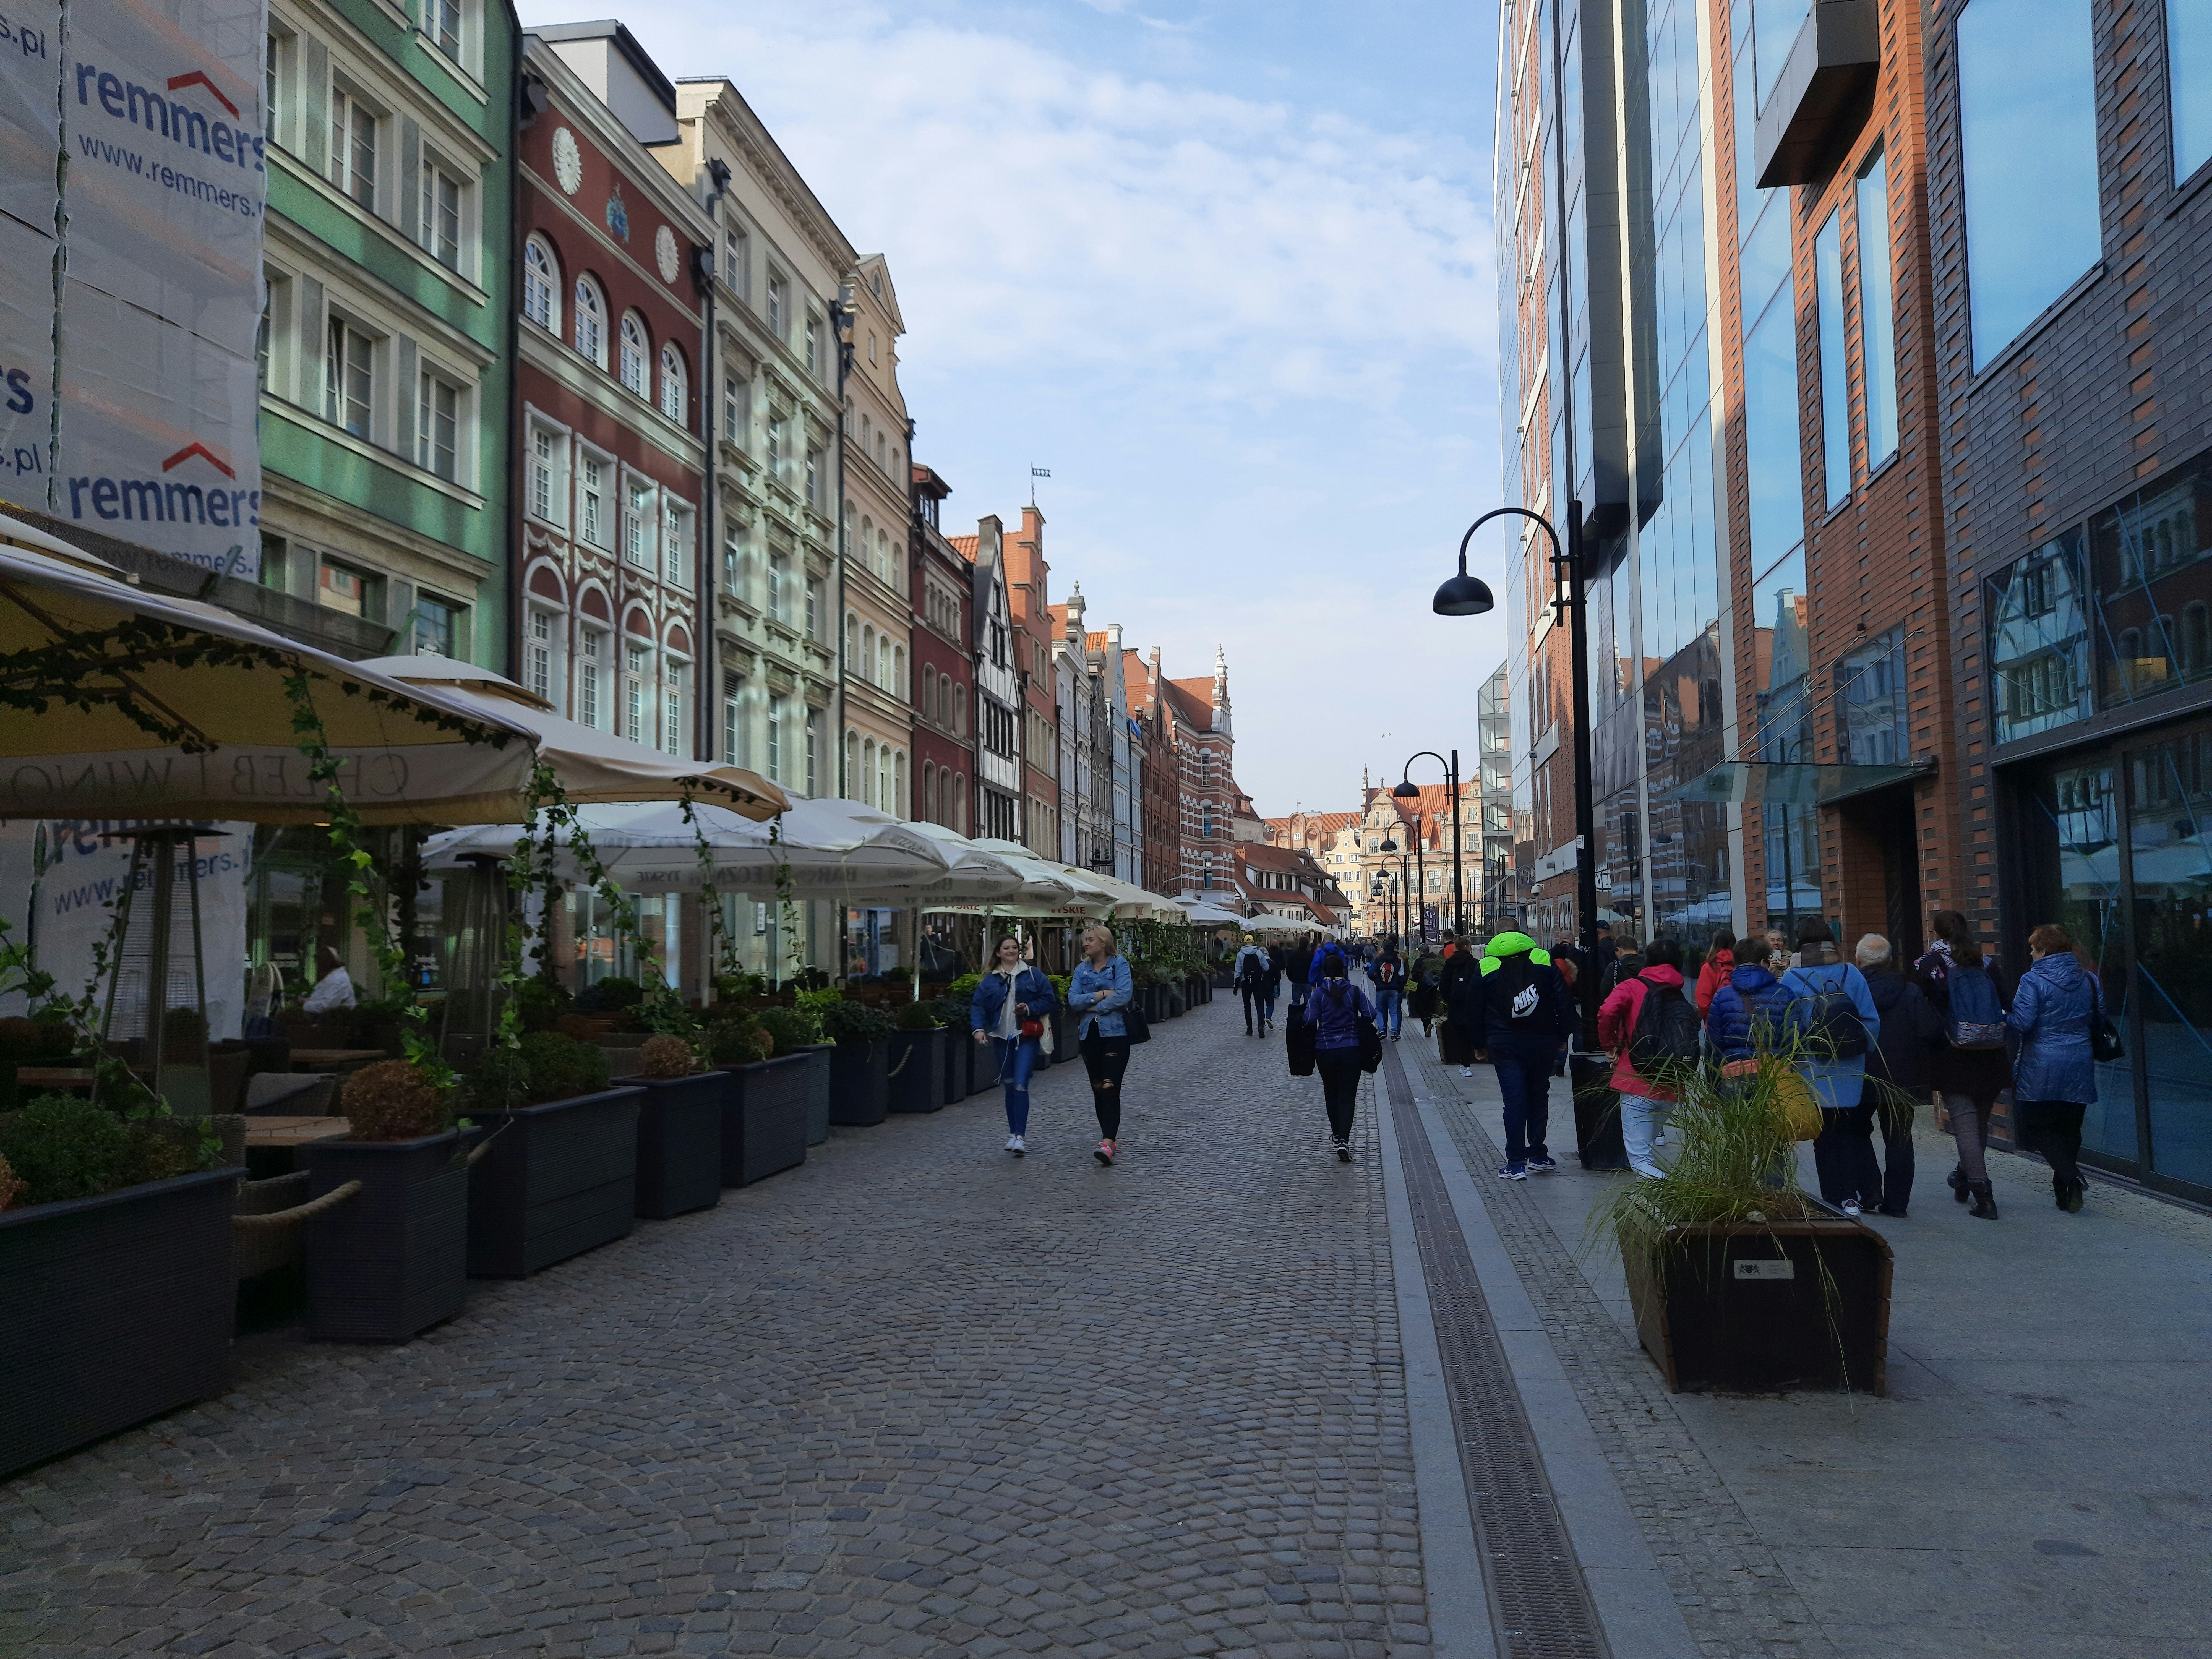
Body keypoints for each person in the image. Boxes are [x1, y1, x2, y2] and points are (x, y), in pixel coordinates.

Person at [1914, 909, 2012, 1221]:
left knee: (1965, 1127)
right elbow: (2006, 1004)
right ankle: (1964, 1176)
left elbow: (1923, 1011)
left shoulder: (1929, 964)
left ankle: (1983, 1196)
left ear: (1936, 933)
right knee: (1979, 1122)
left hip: (1953, 1053)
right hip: (1991, 1052)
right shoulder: (1986, 963)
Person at [1781, 919, 1882, 1218]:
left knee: (1823, 1138)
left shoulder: (1792, 978)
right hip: (1850, 1068)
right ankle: (1851, 1197)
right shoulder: (1851, 973)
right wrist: (1859, 1050)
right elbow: (1871, 1021)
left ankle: (1832, 1199)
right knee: (1850, 1134)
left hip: (1812, 1070)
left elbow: (1789, 1028)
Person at [2008, 922, 2101, 1214]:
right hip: (2079, 1058)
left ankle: (2072, 1178)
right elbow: (2098, 1016)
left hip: (2042, 1062)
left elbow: (2023, 1023)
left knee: (2037, 1126)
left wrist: (2003, 1017)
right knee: (2069, 1128)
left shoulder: (2032, 980)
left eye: (2034, 950)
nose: (2031, 956)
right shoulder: (2088, 979)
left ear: (2044, 950)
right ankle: (2064, 1190)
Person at [1468, 929, 1572, 1178]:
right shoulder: (1544, 960)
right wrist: (1562, 1036)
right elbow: (1564, 1001)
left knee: (1514, 1100)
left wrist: (1479, 1044)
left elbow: (1474, 1010)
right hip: (1543, 1040)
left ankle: (1515, 1162)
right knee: (1538, 1095)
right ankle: (1538, 1153)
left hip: (1504, 1043)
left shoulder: (1485, 966)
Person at [1598, 938, 1698, 1180]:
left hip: (1636, 1080)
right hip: (1672, 1083)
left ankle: (1674, 1194)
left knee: (1640, 1159)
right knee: (1649, 1150)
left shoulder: (1632, 986)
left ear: (1647, 960)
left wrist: (1610, 1045)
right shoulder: (1679, 993)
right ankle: (1655, 1206)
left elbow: (1608, 1011)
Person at [1858, 934, 1937, 1217]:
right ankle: (1897, 1203)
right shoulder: (1909, 990)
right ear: (1890, 960)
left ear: (1858, 961)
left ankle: (1869, 1192)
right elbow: (1928, 1029)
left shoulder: (1854, 991)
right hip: (1901, 1077)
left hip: (1862, 1074)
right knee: (1900, 1139)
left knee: (1856, 1133)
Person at [969, 935, 1058, 1156]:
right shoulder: (989, 981)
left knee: (1021, 1084)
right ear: (998, 953)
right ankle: (1012, 1134)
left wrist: (1029, 1008)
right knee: (1009, 1085)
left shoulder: (1033, 974)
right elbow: (978, 1007)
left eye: (1015, 948)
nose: (1011, 951)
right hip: (1001, 1038)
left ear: (1020, 952)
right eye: (1006, 948)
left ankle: (1020, 1137)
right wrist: (978, 1029)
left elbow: (1050, 999)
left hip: (1025, 1036)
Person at [1069, 925, 1135, 1165]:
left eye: (1090, 940)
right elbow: (1073, 1000)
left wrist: (1095, 1007)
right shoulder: (1081, 970)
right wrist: (1103, 994)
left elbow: (1124, 994)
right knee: (1098, 1087)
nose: (1085, 944)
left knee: (1110, 1086)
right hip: (1089, 1034)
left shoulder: (1119, 964)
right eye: (1085, 940)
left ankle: (1107, 1142)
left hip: (1116, 1032)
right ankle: (1108, 1138)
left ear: (1104, 943)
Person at [1304, 952, 1378, 1160]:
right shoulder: (1354, 992)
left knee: (1331, 1092)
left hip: (1325, 1050)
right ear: (1344, 971)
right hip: (1351, 1049)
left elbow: (1309, 1020)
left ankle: (1336, 1134)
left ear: (1325, 973)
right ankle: (1344, 1141)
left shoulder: (1318, 995)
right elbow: (1371, 1014)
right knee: (1347, 1097)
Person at [1438, 933, 1481, 1075]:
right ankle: (1474, 1058)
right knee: (1473, 1033)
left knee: (1461, 1035)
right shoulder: (1474, 963)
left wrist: (1450, 1000)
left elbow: (1443, 985)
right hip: (1472, 1004)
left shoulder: (1449, 964)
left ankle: (1465, 1065)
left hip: (1456, 1005)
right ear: (1467, 947)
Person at [302, 945, 355, 1015]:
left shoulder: (339, 980)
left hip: (332, 1022)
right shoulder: (334, 978)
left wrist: (307, 1004)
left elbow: (326, 1006)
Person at [1694, 930, 1736, 1017]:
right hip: (1738, 1019)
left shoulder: (1709, 967)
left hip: (1716, 1021)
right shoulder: (1739, 964)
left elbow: (1703, 1002)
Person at [1233, 934, 1269, 1036]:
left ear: (1244, 943)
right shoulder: (1259, 953)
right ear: (1253, 942)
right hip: (1258, 982)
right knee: (1260, 1005)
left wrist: (1236, 987)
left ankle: (1249, 1029)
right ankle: (1261, 1026)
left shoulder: (1241, 955)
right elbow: (1266, 968)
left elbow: (1238, 971)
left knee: (1247, 1006)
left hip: (1246, 983)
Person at [1371, 942, 1405, 1040]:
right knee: (1394, 1011)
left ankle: (1382, 1031)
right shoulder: (1399, 960)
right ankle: (1394, 1033)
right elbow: (1402, 976)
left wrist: (1377, 981)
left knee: (1380, 1010)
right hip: (1394, 989)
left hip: (1381, 989)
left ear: (1384, 949)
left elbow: (1370, 972)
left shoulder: (1378, 959)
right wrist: (1399, 988)